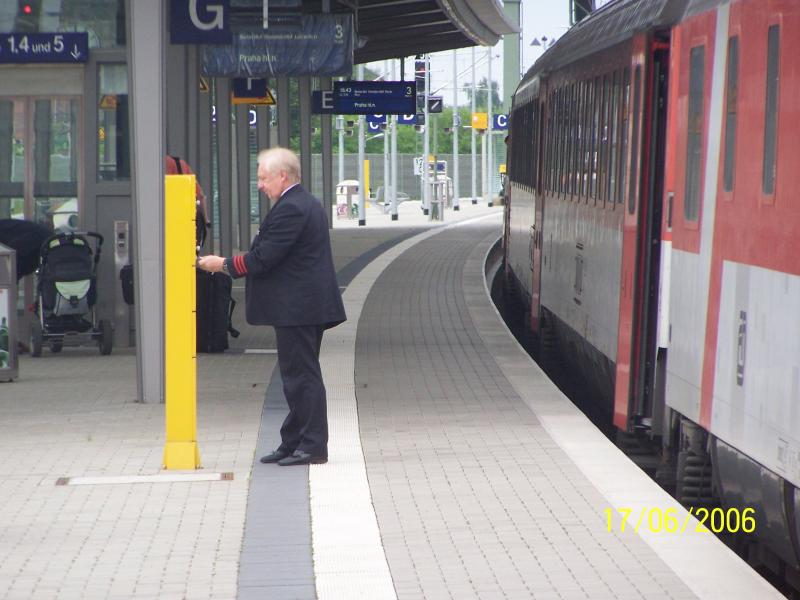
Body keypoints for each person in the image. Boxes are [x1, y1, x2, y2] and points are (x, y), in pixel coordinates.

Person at [198, 147, 346, 466]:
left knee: (301, 375)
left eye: (263, 178)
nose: (260, 185)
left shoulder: (293, 208)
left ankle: (313, 446)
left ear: (282, 176)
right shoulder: (300, 203)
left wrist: (221, 264)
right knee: (296, 374)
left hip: (299, 308)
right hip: (301, 306)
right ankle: (293, 441)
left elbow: (264, 258)